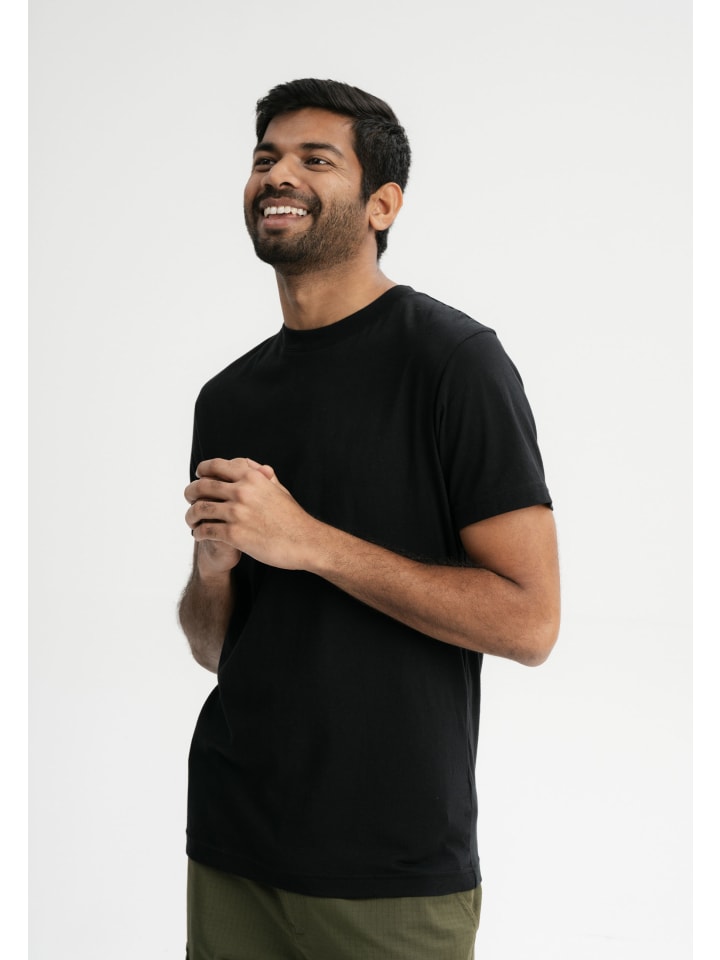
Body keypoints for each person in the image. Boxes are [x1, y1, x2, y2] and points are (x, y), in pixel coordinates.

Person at [178, 78, 560, 960]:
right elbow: (214, 647)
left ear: (383, 205)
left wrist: (308, 542)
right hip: (232, 847)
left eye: (317, 159)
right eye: (266, 158)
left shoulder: (454, 362)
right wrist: (214, 568)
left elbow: (531, 623)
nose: (280, 175)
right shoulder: (227, 397)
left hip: (391, 870)